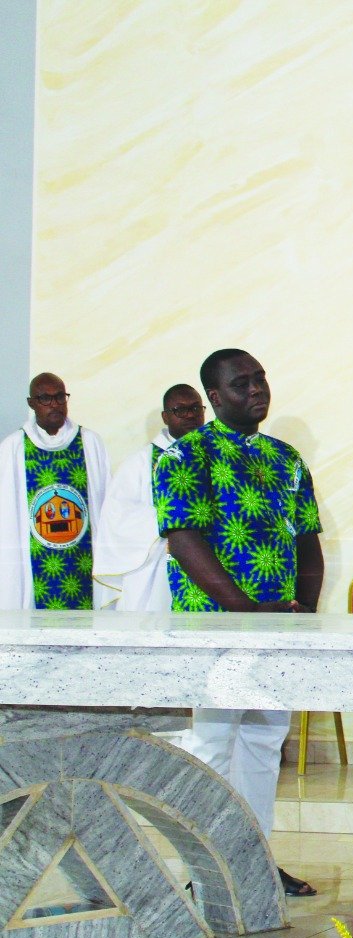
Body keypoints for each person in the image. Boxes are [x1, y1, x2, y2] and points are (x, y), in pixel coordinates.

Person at [153, 349, 323, 897]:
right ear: (214, 396)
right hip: (215, 628)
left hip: (278, 630)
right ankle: (205, 871)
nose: (255, 389)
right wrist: (244, 613)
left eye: (260, 378)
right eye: (240, 383)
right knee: (212, 743)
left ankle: (257, 864)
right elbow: (184, 541)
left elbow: (307, 544)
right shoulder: (185, 456)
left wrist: (304, 614)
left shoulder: (287, 458)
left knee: (264, 743)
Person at [0, 373, 110, 610]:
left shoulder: (90, 442)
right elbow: (7, 519)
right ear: (31, 403)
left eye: (60, 397)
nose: (55, 405)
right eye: (45, 399)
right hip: (32, 567)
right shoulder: (13, 448)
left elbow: (105, 509)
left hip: (84, 564)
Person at [94, 384, 207, 611]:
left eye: (196, 408)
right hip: (158, 572)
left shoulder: (216, 454)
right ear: (165, 417)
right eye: (180, 410)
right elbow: (117, 520)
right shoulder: (139, 463)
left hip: (213, 564)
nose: (190, 416)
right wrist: (176, 517)